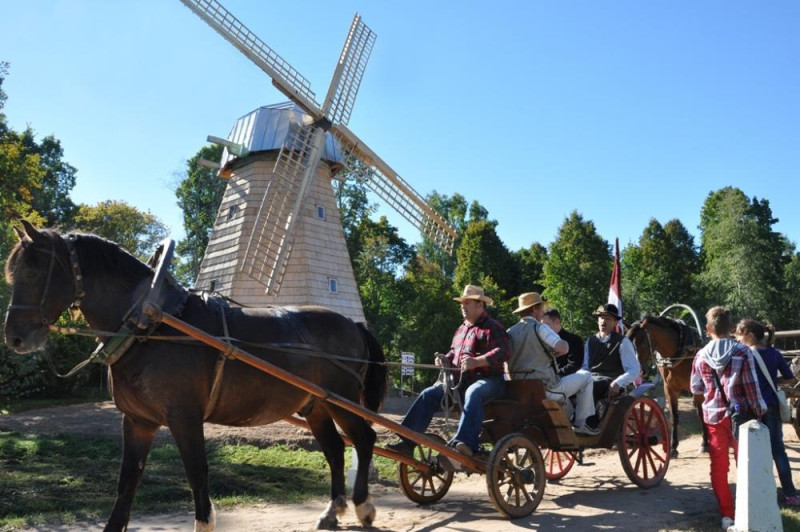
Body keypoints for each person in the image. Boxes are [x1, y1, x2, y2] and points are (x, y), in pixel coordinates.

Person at [387, 284, 510, 458]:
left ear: (480, 305)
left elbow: (504, 351)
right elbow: (454, 353)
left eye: (467, 303)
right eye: (462, 303)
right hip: (459, 384)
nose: (463, 306)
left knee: (473, 392)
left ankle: (465, 443)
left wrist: (477, 362)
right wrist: (445, 358)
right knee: (428, 393)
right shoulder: (461, 330)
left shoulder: (492, 327)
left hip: (490, 381)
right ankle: (407, 442)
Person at [690, 306, 767, 530]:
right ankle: (747, 509)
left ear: (708, 329)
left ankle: (727, 514)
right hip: (741, 416)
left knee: (718, 466)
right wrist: (760, 411)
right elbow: (752, 389)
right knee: (744, 463)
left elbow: (695, 388)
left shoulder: (700, 355)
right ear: (731, 328)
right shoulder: (743, 352)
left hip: (713, 417)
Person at [507, 293, 599, 436]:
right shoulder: (540, 328)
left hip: (519, 390)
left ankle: (564, 420)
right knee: (586, 377)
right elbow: (563, 347)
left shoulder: (510, 331)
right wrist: (558, 351)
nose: (543, 311)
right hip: (546, 388)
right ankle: (580, 424)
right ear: (535, 309)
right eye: (542, 307)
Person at [735, 319, 800, 507]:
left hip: (750, 408)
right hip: (771, 405)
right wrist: (773, 381)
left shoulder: (744, 354)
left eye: (739, 335)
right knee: (778, 449)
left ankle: (759, 492)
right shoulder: (775, 354)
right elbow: (790, 379)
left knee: (752, 452)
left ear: (749, 334)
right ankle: (790, 493)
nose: (738, 339)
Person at [582, 303, 641, 402]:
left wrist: (618, 382)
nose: (603, 321)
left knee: (590, 387)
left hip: (610, 380)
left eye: (608, 319)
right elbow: (585, 367)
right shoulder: (590, 341)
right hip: (590, 378)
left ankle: (588, 417)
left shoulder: (623, 342)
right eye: (601, 318)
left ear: (615, 323)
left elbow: (634, 369)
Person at [542, 307, 583, 377]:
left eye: (546, 325)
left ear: (557, 322)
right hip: (546, 379)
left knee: (586, 376)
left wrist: (555, 375)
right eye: (542, 326)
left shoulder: (574, 340)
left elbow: (574, 365)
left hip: (565, 379)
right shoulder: (544, 342)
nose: (543, 329)